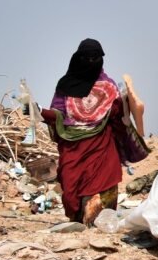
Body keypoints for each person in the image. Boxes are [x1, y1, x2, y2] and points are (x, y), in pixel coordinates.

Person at [42, 39, 147, 225]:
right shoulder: (65, 86)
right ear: (78, 59)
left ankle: (100, 220)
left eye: (95, 58)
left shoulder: (108, 86)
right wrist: (38, 111)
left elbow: (119, 114)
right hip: (72, 147)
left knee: (104, 181)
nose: (91, 62)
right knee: (70, 182)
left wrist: (124, 104)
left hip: (102, 146)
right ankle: (77, 219)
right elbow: (58, 114)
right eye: (87, 58)